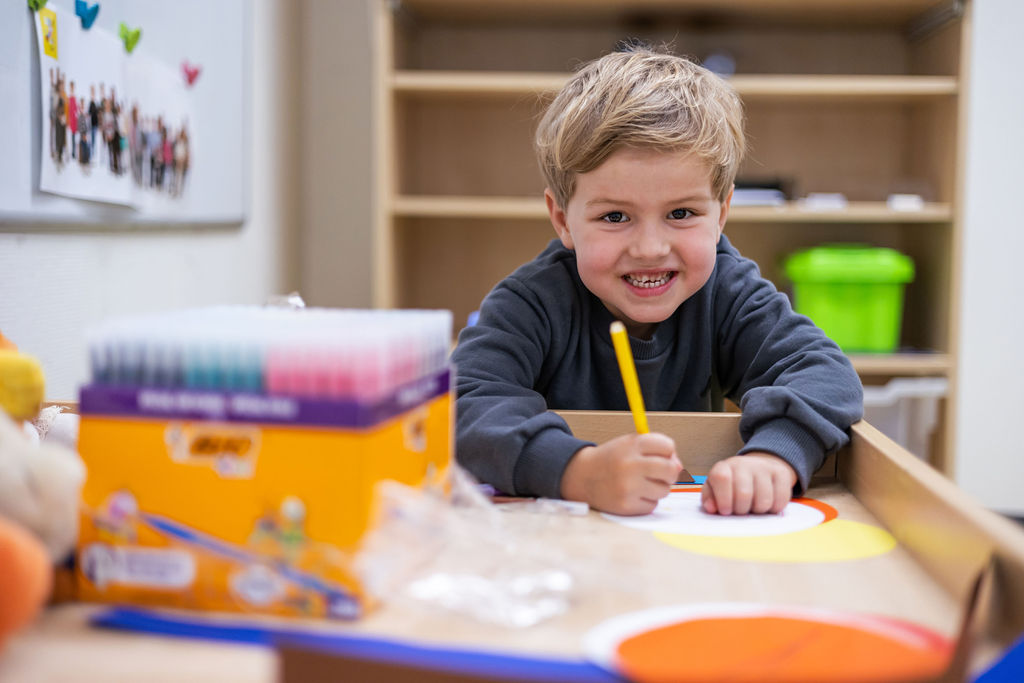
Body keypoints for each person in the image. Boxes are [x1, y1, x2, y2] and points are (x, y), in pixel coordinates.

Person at [451, 45, 863, 517]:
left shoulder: (727, 291)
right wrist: (578, 473)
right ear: (563, 220)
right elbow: (462, 404)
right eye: (615, 216)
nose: (649, 248)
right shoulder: (531, 302)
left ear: (721, 214)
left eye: (681, 213)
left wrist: (774, 456)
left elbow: (826, 375)